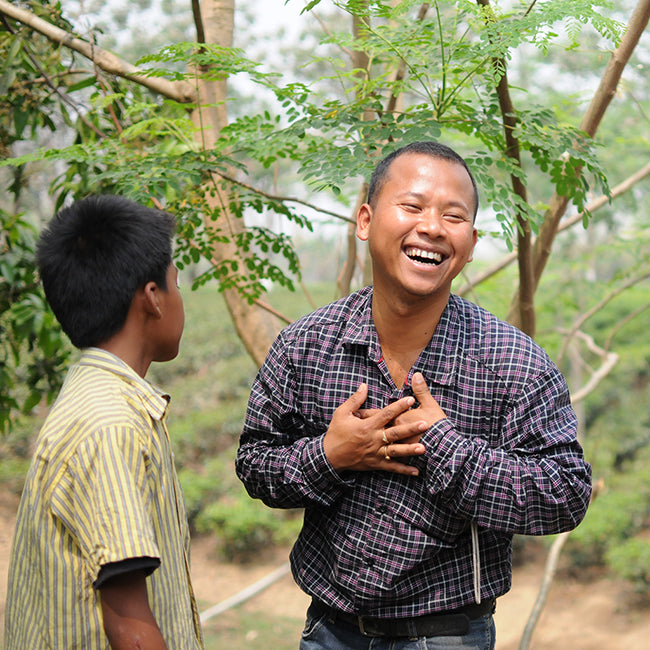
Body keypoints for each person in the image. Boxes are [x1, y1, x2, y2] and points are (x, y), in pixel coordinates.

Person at [235, 141, 592, 650]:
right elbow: (255, 463)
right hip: (329, 631)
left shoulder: (512, 361)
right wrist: (330, 455)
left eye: (454, 216)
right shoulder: (307, 345)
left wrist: (445, 446)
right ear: (365, 220)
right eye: (412, 206)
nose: (432, 227)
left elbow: (565, 495)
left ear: (470, 244)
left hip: (448, 635)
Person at [5, 195, 204, 649]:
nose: (179, 298)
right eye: (175, 282)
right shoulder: (110, 423)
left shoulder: (98, 399)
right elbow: (129, 624)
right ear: (152, 298)